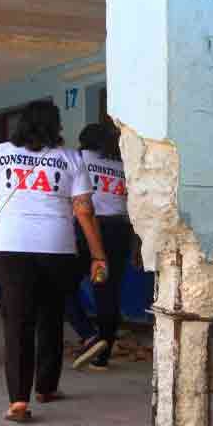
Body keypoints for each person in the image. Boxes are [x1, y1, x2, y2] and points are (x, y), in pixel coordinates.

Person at [0, 102, 108, 423]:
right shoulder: (70, 157)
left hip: (9, 246)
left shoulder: (0, 153)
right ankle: (46, 387)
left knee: (18, 320)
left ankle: (18, 401)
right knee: (51, 315)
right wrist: (98, 254)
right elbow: (84, 210)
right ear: (56, 126)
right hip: (57, 246)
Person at [66, 122, 137, 371]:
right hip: (119, 230)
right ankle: (102, 356)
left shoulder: (78, 159)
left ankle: (88, 335)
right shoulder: (123, 165)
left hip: (87, 228)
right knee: (107, 291)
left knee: (62, 285)